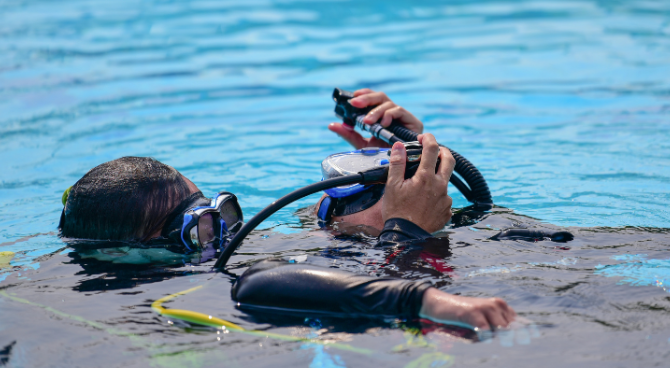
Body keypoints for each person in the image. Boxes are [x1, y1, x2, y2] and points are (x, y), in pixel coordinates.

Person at [59, 93, 517, 332]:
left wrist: (393, 165)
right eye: (199, 229)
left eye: (225, 213)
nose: (227, 234)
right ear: (128, 258)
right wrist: (403, 230)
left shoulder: (243, 257)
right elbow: (270, 285)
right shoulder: (202, 296)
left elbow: (320, 240)